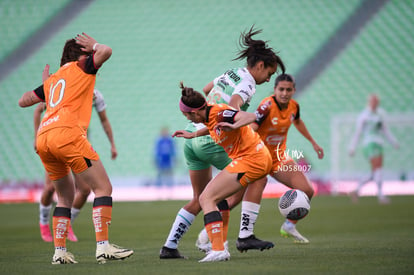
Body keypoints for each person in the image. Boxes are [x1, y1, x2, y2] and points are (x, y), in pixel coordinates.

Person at [159, 26, 285, 259]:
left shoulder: (231, 73)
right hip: (214, 138)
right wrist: (231, 121)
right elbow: (235, 106)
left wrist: (207, 117)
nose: (269, 79)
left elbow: (207, 90)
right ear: (259, 66)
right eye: (269, 72)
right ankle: (234, 238)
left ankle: (170, 246)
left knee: (203, 197)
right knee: (255, 178)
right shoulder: (248, 84)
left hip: (195, 136)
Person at [18, 33, 133, 264]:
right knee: (103, 188)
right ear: (80, 54)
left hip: (44, 137)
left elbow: (23, 100)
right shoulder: (81, 66)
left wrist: (47, 88)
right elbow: (106, 51)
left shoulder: (53, 81)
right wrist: (96, 45)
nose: (91, 55)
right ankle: (103, 247)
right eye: (87, 52)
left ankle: (59, 252)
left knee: (64, 196)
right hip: (67, 135)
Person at [197, 74, 324, 248]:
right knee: (232, 201)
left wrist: (313, 142)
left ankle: (288, 225)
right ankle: (211, 232)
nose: (285, 93)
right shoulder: (266, 106)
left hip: (278, 158)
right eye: (281, 89)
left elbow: (298, 121)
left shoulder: (294, 107)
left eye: (288, 90)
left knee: (307, 190)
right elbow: (251, 125)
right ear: (275, 90)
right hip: (257, 157)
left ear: (294, 90)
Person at [173, 83, 273, 262]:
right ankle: (218, 245)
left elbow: (250, 116)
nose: (188, 119)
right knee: (213, 199)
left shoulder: (219, 112)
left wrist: (234, 126)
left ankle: (218, 249)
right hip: (252, 158)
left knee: (206, 198)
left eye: (186, 115)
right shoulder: (209, 115)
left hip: (252, 159)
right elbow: (213, 127)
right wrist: (192, 135)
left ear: (194, 113)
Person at [35, 78, 118, 242]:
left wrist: (112, 144)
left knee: (85, 190)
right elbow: (38, 110)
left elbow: (104, 120)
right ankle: (44, 223)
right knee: (51, 188)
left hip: (77, 145)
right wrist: (37, 136)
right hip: (56, 141)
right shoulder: (66, 91)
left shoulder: (95, 95)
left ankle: (66, 226)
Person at [348, 94, 399, 204]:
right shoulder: (364, 115)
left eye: (377, 101)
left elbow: (385, 130)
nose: (375, 103)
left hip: (379, 143)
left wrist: (393, 141)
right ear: (370, 102)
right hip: (369, 144)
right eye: (373, 101)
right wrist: (352, 147)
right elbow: (358, 132)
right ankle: (381, 195)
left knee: (375, 172)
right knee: (378, 169)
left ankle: (357, 190)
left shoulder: (381, 114)